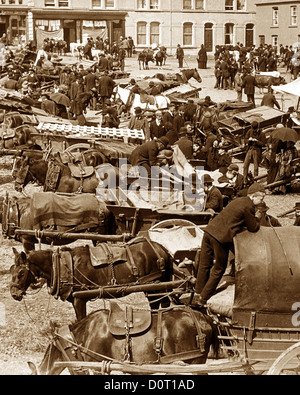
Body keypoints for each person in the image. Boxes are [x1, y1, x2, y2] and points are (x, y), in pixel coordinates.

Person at [193, 182, 265, 307]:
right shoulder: (249, 207)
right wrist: (257, 217)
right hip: (220, 238)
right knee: (219, 269)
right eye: (261, 198)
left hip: (209, 232)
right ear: (254, 196)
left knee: (205, 265)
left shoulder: (238, 200)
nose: (262, 201)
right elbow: (253, 228)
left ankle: (197, 293)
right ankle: (203, 299)